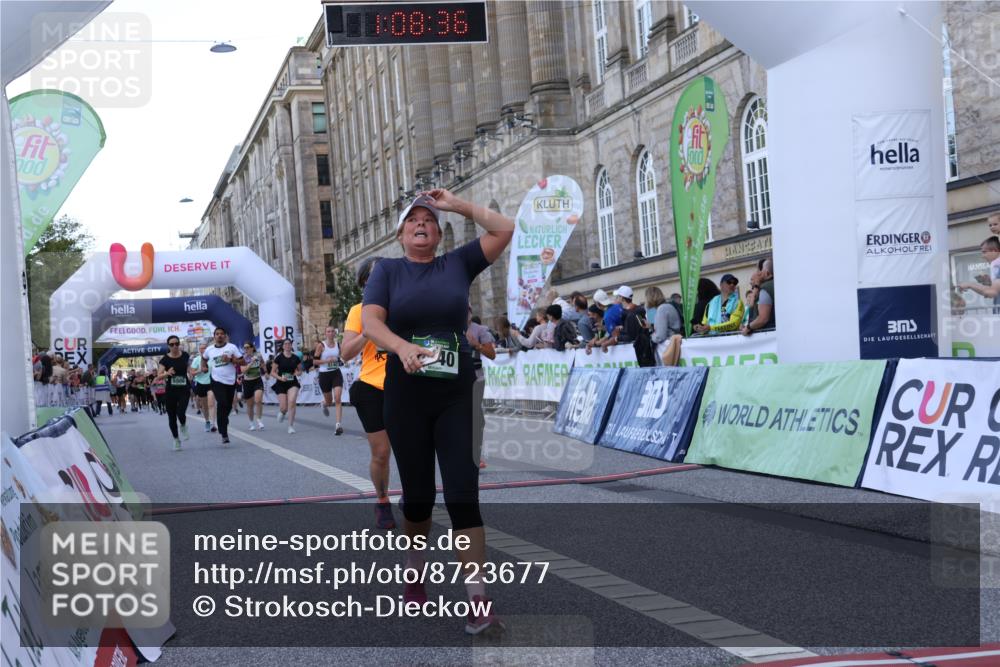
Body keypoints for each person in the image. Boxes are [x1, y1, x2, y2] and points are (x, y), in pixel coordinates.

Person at [362, 189, 513, 636]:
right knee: (419, 497)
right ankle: (414, 568)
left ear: (439, 232)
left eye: (429, 220)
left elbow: (504, 228)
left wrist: (457, 205)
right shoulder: (386, 271)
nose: (422, 224)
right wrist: (402, 347)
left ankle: (478, 601)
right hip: (406, 395)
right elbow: (372, 323)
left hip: (455, 395)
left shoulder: (457, 264)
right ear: (401, 234)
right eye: (413, 221)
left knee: (463, 493)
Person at [342, 256, 396, 529]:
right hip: (372, 388)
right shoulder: (358, 311)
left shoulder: (403, 305)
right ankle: (383, 500)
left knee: (415, 450)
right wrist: (369, 330)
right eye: (373, 278)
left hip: (406, 386)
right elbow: (345, 353)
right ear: (364, 284)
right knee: (381, 453)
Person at [466, 306, 497, 470]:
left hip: (476, 378)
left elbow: (492, 354)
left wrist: (476, 345)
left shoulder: (479, 329)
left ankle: (476, 456)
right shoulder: (449, 327)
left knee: (477, 419)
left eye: (467, 311)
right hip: (454, 379)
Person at [203, 327, 241, 445]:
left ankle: (223, 421)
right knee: (222, 402)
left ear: (225, 336)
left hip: (230, 381)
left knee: (228, 406)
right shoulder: (209, 349)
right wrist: (203, 367)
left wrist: (231, 359)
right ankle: (224, 432)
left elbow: (243, 361)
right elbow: (204, 359)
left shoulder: (232, 347)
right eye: (217, 334)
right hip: (216, 380)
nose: (219, 336)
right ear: (214, 336)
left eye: (221, 334)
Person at [155, 335, 192, 451]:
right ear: (168, 346)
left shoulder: (185, 355)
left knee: (181, 412)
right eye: (172, 344)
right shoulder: (165, 359)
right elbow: (158, 376)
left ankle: (183, 425)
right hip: (171, 391)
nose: (175, 346)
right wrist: (167, 373)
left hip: (184, 389)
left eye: (177, 343)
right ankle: (176, 439)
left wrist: (195, 373)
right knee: (171, 417)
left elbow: (190, 369)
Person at [314, 326, 345, 436]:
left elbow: (342, 358)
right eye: (328, 331)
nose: (331, 333)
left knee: (337, 398)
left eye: (332, 331)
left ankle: (338, 425)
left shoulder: (338, 345)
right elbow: (314, 361)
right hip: (324, 375)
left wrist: (340, 360)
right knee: (329, 401)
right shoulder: (321, 346)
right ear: (325, 333)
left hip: (336, 373)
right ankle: (324, 404)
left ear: (334, 333)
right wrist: (326, 361)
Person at [959, 236, 1000, 312]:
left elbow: (991, 293)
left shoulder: (996, 265)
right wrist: (989, 283)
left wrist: (970, 285)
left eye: (984, 252)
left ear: (995, 251)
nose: (983, 256)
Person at [270, 338, 303, 434]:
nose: (288, 345)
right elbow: (272, 372)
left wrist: (298, 372)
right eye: (286, 344)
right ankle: (283, 412)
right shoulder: (279, 358)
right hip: (281, 383)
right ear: (283, 346)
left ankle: (290, 426)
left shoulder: (295, 358)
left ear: (291, 346)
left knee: (292, 402)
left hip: (293, 382)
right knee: (284, 407)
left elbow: (300, 371)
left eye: (289, 344)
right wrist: (280, 378)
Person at [742, 258, 775, 336]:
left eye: (761, 270)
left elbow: (763, 318)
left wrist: (748, 327)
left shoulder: (766, 288)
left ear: (767, 273)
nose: (759, 273)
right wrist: (756, 286)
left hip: (767, 335)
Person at [241, 341, 266, 431]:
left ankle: (259, 420)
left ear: (252, 348)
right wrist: (251, 363)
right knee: (250, 405)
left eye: (247, 347)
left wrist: (266, 372)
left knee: (258, 400)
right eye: (245, 348)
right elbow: (243, 371)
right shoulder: (242, 358)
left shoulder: (258, 355)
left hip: (257, 380)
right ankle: (251, 423)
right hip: (247, 382)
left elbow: (263, 364)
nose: (246, 349)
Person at [191, 342, 216, 432]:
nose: (203, 350)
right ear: (199, 350)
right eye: (201, 348)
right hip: (201, 384)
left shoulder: (212, 359)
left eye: (205, 348)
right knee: (205, 406)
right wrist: (200, 370)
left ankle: (213, 424)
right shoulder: (196, 360)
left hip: (211, 383)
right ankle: (207, 421)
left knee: (211, 403)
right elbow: (192, 373)